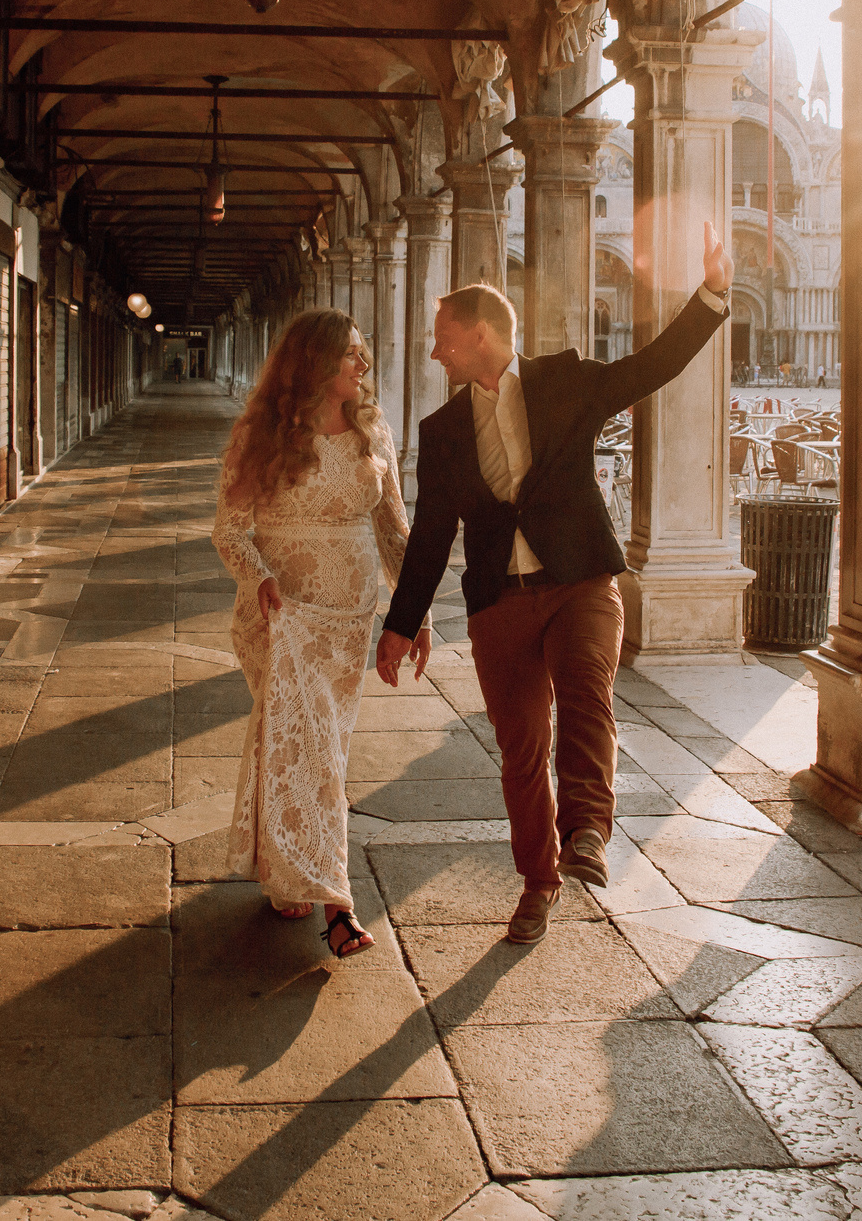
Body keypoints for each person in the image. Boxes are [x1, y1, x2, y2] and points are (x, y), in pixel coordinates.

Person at [377, 223, 731, 945]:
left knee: (585, 687)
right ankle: (538, 882)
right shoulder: (443, 430)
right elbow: (431, 536)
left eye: (444, 335)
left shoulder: (567, 380)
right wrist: (399, 620)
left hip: (579, 582)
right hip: (499, 602)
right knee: (520, 750)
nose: (435, 348)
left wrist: (712, 296)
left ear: (480, 333)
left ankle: (588, 831)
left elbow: (649, 367)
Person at [211, 308, 425, 959]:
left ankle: (285, 864)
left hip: (349, 615)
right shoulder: (262, 434)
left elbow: (393, 528)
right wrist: (260, 577)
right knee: (316, 749)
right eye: (351, 355)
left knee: (309, 741)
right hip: (285, 611)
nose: (363, 366)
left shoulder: (371, 430)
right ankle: (339, 904)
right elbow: (229, 529)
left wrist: (410, 615)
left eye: (363, 355)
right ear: (315, 363)